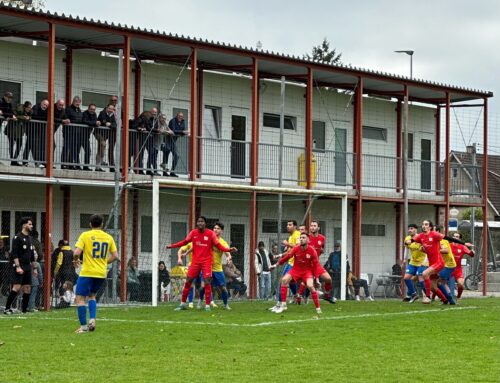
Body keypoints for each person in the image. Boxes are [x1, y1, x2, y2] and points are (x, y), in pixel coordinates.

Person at [167, 216, 236, 311]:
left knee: (221, 287)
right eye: (198, 221)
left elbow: (222, 248)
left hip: (213, 266)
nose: (200, 223)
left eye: (202, 221)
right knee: (191, 282)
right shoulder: (194, 233)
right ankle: (186, 303)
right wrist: (174, 247)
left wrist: (229, 253)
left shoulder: (214, 237)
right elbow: (188, 243)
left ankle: (221, 305)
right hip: (198, 263)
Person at [73, 214, 119, 333]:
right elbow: (115, 256)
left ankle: (83, 327)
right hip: (101, 273)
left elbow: (77, 252)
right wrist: (103, 262)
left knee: (80, 299)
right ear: (102, 224)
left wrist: (75, 260)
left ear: (90, 224)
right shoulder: (108, 237)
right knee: (92, 296)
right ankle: (92, 320)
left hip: (87, 272)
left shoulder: (85, 235)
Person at [409, 219, 467, 304]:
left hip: (442, 263)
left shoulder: (438, 237)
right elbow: (412, 241)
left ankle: (428, 297)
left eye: (426, 224)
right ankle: (446, 300)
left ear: (431, 228)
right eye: (423, 224)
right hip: (432, 264)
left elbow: (447, 244)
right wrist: (409, 242)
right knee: (433, 286)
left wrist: (463, 243)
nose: (424, 226)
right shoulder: (421, 236)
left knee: (425, 274)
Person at [270, 233, 322, 314]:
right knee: (284, 280)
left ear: (308, 240)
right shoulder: (296, 248)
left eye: (303, 238)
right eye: (300, 238)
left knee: (310, 286)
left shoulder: (312, 250)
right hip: (296, 270)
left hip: (307, 271)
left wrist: (317, 279)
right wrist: (276, 265)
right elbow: (287, 257)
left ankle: (318, 309)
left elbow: (315, 266)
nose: (301, 239)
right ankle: (283, 305)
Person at [4, 217, 37, 314]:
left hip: (27, 266)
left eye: (32, 224)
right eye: (30, 224)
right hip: (19, 265)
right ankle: (7, 308)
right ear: (24, 225)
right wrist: (18, 267)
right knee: (17, 287)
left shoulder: (30, 239)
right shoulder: (17, 237)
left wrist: (34, 268)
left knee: (27, 288)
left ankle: (24, 310)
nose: (32, 226)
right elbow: (14, 253)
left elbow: (32, 255)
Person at [298, 220, 335, 304]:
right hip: (307, 264)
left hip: (316, 264)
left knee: (328, 279)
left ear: (318, 228)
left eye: (314, 226)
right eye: (311, 226)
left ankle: (326, 295)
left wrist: (318, 253)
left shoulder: (322, 238)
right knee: (306, 282)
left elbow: (321, 249)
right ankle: (299, 297)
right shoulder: (307, 238)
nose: (312, 227)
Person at [198, 222, 232, 309]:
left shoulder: (223, 242)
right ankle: (200, 301)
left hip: (217, 269)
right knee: (202, 287)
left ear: (222, 231)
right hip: (206, 267)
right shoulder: (208, 239)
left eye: (218, 228)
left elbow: (228, 253)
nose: (215, 230)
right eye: (214, 228)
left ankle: (225, 304)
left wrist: (228, 258)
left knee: (223, 288)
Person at [269, 220, 300, 312]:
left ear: (295, 226)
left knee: (283, 281)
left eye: (290, 225)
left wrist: (287, 244)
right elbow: (290, 251)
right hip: (290, 262)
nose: (288, 226)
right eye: (287, 225)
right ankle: (282, 303)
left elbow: (298, 247)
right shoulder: (290, 237)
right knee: (286, 282)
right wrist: (280, 255)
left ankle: (282, 304)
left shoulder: (297, 234)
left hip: (295, 264)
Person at [403, 224, 427, 303]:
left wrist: (425, 261)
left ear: (416, 230)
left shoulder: (421, 238)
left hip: (422, 262)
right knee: (406, 278)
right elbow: (406, 248)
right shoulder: (407, 238)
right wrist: (404, 259)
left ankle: (427, 296)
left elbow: (427, 250)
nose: (410, 230)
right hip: (413, 262)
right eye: (409, 228)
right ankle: (413, 294)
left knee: (420, 279)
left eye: (412, 228)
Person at [449, 232, 474, 300]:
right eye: (454, 236)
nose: (455, 238)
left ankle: (459, 297)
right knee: (440, 283)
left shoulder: (462, 247)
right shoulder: (449, 245)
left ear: (460, 239)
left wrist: (472, 252)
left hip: (458, 270)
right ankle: (435, 297)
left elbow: (471, 255)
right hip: (448, 269)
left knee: (460, 284)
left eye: (457, 237)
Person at [6, 100, 31, 166]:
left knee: (19, 144)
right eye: (28, 108)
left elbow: (31, 115)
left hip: (19, 131)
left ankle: (14, 160)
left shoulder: (28, 111)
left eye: (30, 108)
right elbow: (14, 116)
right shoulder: (18, 108)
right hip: (11, 129)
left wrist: (29, 117)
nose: (29, 109)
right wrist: (23, 117)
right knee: (11, 145)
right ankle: (12, 161)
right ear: (25, 107)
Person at [95, 103, 117, 171]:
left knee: (100, 149)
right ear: (107, 108)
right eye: (109, 108)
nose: (110, 110)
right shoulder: (102, 113)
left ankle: (97, 166)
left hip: (106, 135)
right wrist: (105, 123)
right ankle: (101, 161)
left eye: (112, 109)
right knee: (103, 144)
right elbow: (102, 121)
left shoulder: (113, 115)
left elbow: (115, 125)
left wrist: (110, 124)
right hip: (99, 133)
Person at [166, 111, 188, 177]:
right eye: (179, 116)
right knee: (166, 156)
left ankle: (172, 172)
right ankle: (164, 172)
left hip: (173, 141)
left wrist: (183, 132)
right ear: (177, 116)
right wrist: (182, 132)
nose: (180, 117)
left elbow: (183, 130)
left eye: (181, 116)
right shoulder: (172, 121)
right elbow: (173, 131)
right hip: (167, 141)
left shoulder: (183, 121)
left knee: (176, 156)